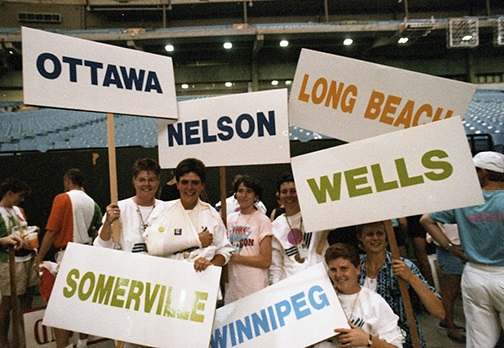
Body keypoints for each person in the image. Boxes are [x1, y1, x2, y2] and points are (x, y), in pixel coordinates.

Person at [420, 151, 504, 348]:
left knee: (479, 340)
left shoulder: (466, 200)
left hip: (474, 275)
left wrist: (451, 248)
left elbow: (426, 219)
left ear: (483, 173)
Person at [35, 169, 102, 348]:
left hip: (68, 255)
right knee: (82, 303)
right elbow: (97, 232)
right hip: (87, 254)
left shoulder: (62, 199)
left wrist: (39, 258)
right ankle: (82, 342)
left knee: (61, 308)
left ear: (67, 181)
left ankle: (63, 346)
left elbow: (51, 232)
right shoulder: (92, 203)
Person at [356, 220, 444, 348]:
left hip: (402, 341)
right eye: (370, 234)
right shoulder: (355, 269)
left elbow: (439, 312)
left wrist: (411, 277)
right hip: (364, 341)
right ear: (360, 237)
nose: (375, 238)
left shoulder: (404, 266)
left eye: (380, 233)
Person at [144, 158, 233, 273]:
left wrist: (210, 264)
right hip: (169, 279)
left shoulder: (211, 214)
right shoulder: (162, 210)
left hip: (199, 281)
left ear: (202, 186)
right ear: (177, 184)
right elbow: (152, 247)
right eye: (184, 182)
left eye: (195, 183)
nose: (189, 187)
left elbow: (224, 250)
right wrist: (196, 240)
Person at [315, 243, 404, 348]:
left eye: (344, 268)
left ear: (357, 269)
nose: (338, 275)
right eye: (333, 270)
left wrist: (368, 340)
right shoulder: (319, 300)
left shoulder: (374, 302)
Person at [269, 173, 328, 284]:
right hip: (291, 284)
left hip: (318, 279)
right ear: (279, 196)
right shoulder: (275, 226)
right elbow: (276, 264)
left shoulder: (315, 215)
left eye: (293, 191)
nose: (288, 195)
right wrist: (275, 287)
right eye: (284, 192)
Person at [94, 158, 162, 253]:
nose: (147, 184)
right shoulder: (120, 208)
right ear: (134, 181)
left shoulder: (166, 209)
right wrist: (108, 222)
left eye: (151, 180)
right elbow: (101, 246)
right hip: (127, 266)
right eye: (141, 180)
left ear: (158, 181)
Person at [0, 178, 38, 348]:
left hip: (27, 258)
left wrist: (29, 234)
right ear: (9, 194)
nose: (22, 199)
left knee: (27, 301)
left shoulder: (19, 210)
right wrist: (2, 240)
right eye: (20, 196)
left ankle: (29, 339)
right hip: (8, 261)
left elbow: (22, 230)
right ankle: (3, 339)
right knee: (7, 303)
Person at [224, 174, 272, 304]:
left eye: (248, 192)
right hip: (233, 288)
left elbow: (266, 260)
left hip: (255, 288)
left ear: (256, 197)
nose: (244, 195)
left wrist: (236, 258)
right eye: (240, 191)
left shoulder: (262, 220)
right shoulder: (229, 219)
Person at [427, 223, 466, 344]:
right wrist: (449, 246)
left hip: (460, 246)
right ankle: (450, 328)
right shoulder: (440, 209)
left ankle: (446, 321)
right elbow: (427, 223)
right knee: (450, 292)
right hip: (449, 250)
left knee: (452, 292)